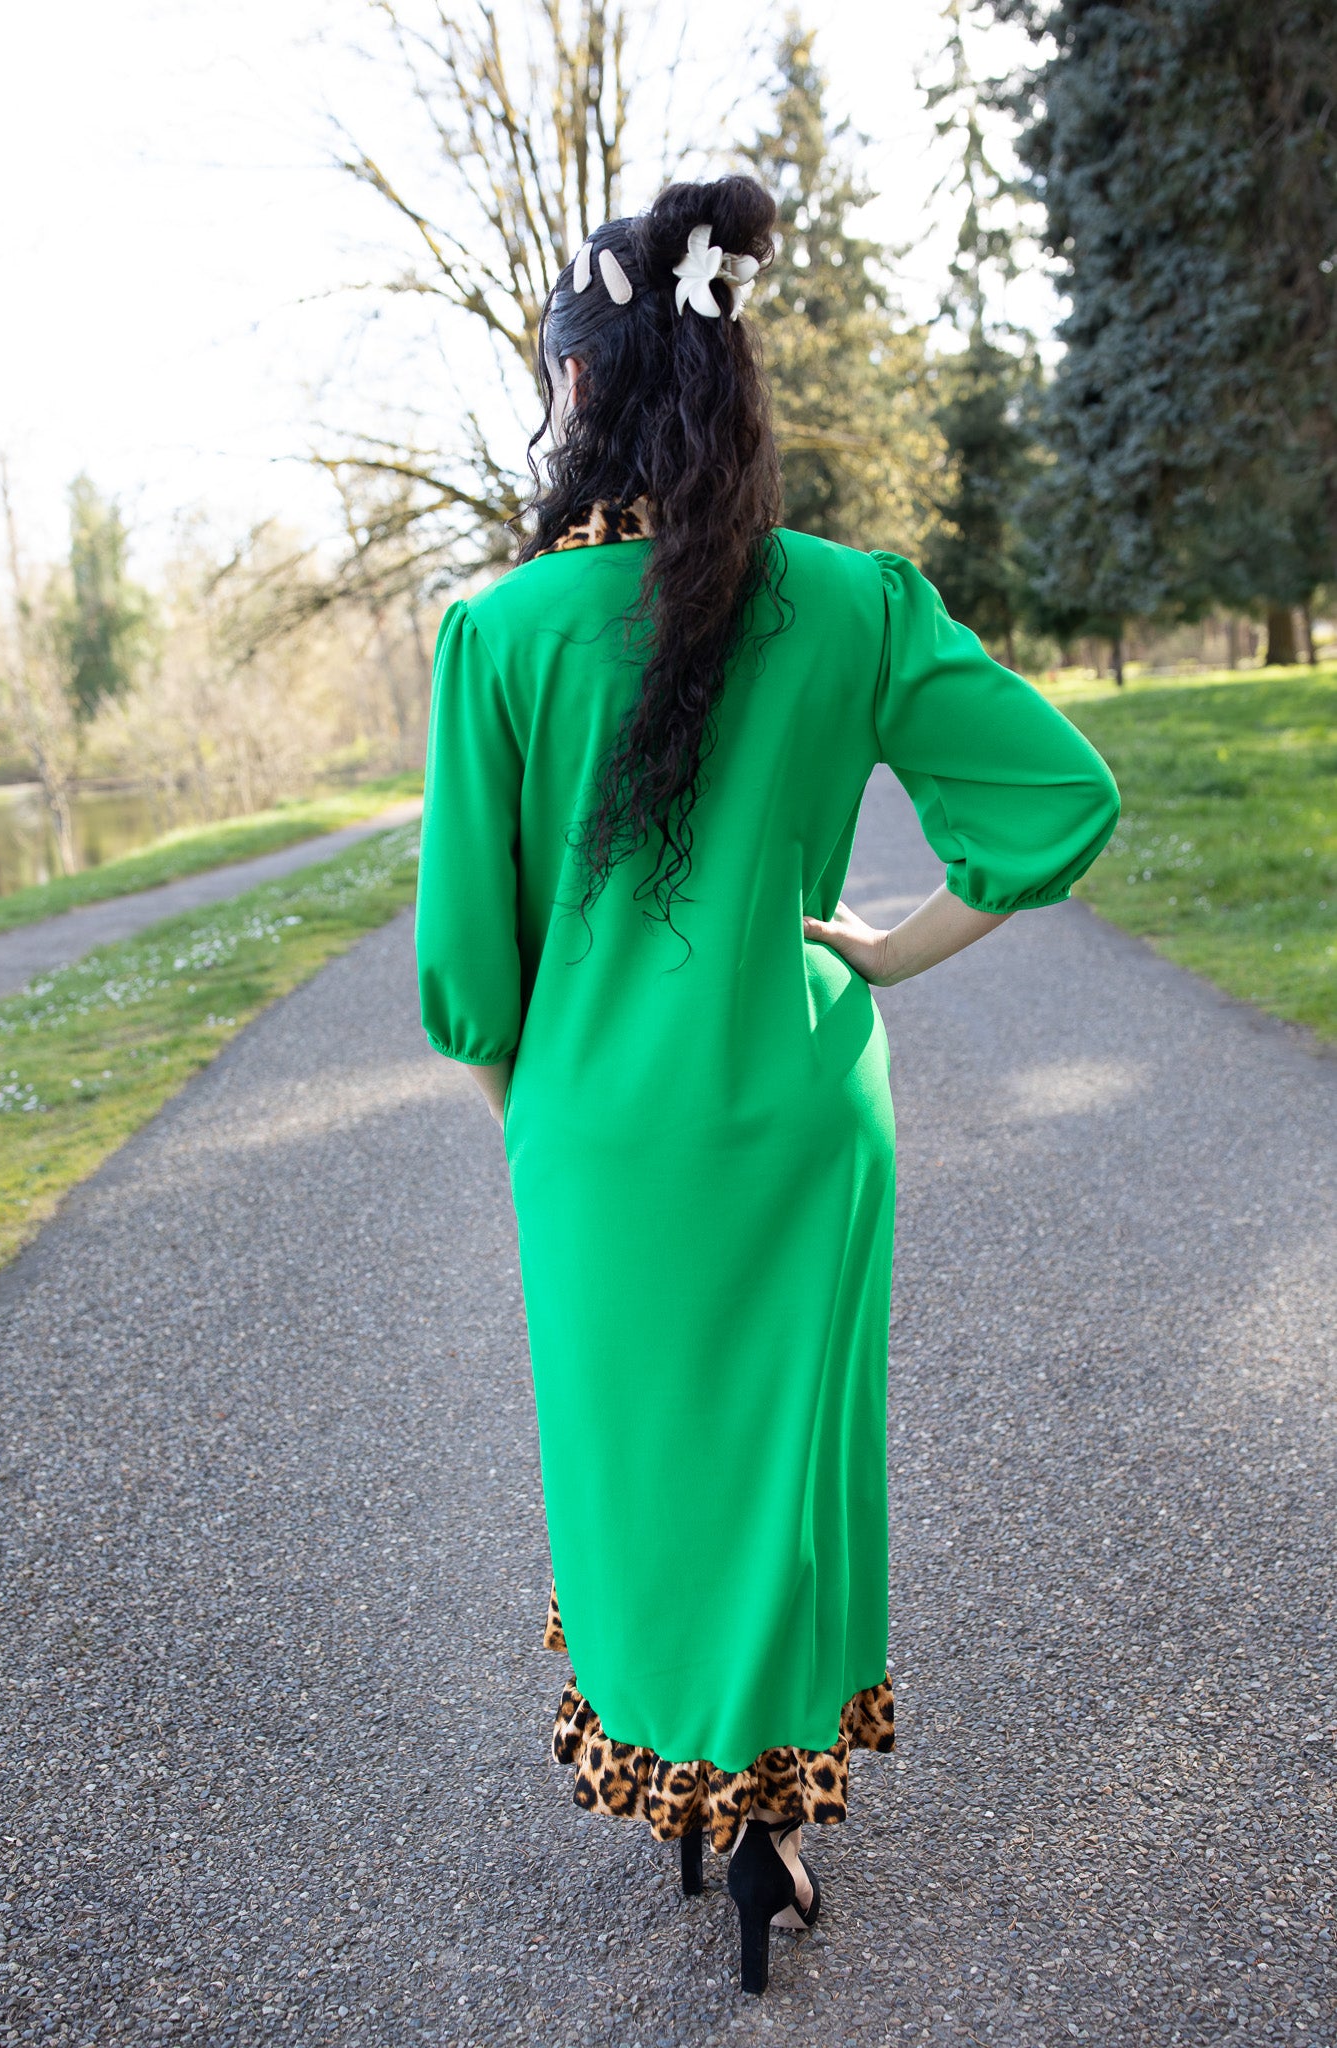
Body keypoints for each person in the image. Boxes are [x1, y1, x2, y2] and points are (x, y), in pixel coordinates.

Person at [415, 174, 1119, 1996]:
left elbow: (469, 993)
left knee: (636, 1460)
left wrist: (545, 1130)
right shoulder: (848, 601)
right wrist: (884, 953)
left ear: (582, 390)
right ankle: (772, 1830)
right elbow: (1057, 800)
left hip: (597, 1143)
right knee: (787, 1462)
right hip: (802, 1125)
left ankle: (677, 1784)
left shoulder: (500, 635)